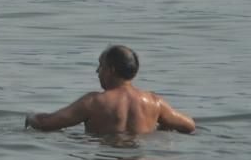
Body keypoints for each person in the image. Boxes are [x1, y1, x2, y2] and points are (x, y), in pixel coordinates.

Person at [25, 45, 195, 136]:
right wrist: (162, 129)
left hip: (105, 159)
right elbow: (189, 126)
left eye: (100, 66)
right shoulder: (154, 102)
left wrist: (32, 117)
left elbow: (47, 124)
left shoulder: (94, 102)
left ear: (111, 70)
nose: (97, 71)